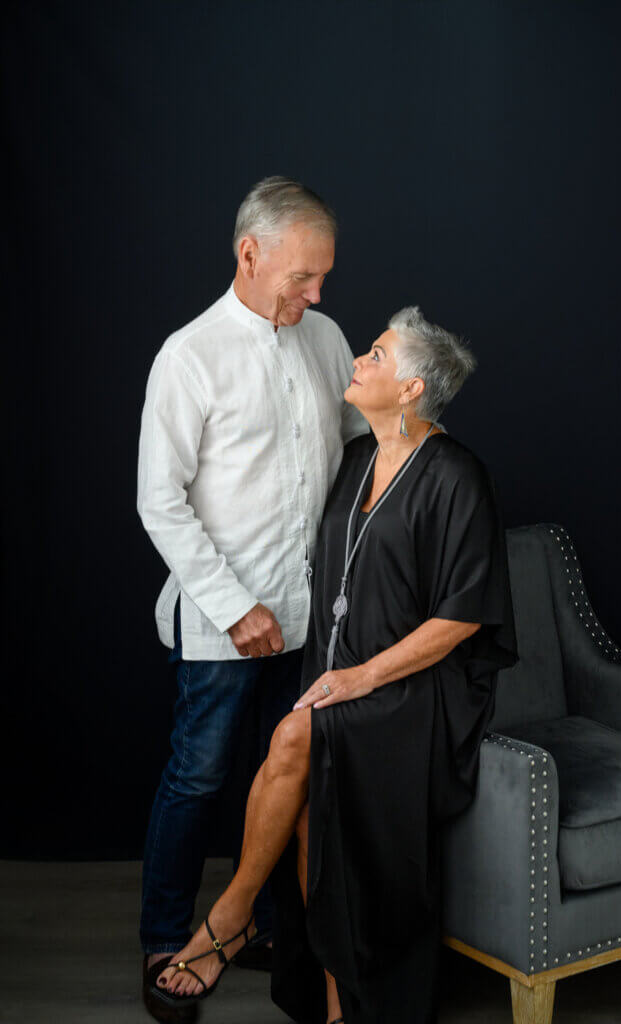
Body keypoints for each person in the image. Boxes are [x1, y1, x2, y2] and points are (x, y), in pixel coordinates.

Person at [150, 306, 519, 1024]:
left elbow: (461, 618)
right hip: (342, 678)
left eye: (377, 355)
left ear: (412, 388)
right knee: (312, 805)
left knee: (292, 739)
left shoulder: (456, 476)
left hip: (418, 692)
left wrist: (358, 677)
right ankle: (334, 1003)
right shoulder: (353, 460)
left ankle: (228, 920)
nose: (358, 360)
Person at [137, 176, 369, 1022]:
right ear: (249, 253)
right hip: (221, 619)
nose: (315, 294)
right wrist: (236, 606)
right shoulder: (189, 355)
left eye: (322, 278)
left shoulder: (326, 335)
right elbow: (158, 501)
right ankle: (166, 938)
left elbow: (359, 448)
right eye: (302, 277)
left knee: (287, 780)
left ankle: (269, 928)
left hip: (313, 618)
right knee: (199, 778)